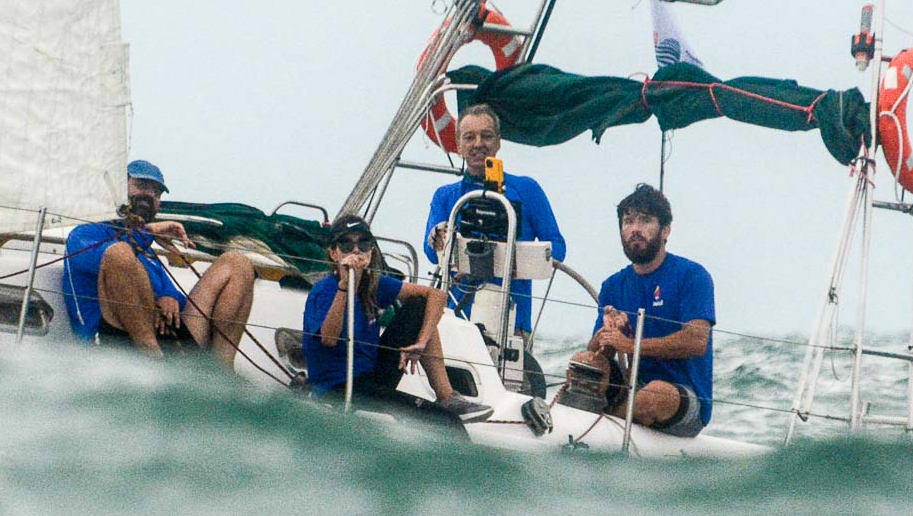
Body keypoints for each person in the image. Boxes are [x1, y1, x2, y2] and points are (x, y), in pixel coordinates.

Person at [61, 159, 255, 371]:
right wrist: (149, 232)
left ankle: (221, 372)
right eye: (142, 185)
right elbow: (113, 260)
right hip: (116, 339)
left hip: (168, 338)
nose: (150, 195)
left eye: (157, 193)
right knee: (119, 253)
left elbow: (172, 293)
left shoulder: (147, 252)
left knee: (237, 263)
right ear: (118, 188)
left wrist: (169, 296)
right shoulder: (84, 234)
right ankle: (152, 361)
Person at [304, 214, 491, 421]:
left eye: (364, 243)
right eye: (346, 245)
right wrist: (346, 285)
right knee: (442, 419)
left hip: (372, 375)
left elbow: (437, 296)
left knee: (420, 305)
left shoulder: (374, 284)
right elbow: (329, 340)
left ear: (371, 250)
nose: (356, 250)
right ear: (334, 253)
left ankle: (447, 397)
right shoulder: (324, 290)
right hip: (337, 387)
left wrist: (421, 342)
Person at [564, 184, 715, 436]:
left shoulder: (693, 276)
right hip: (631, 385)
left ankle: (596, 430)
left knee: (652, 394)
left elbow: (696, 341)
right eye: (628, 221)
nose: (635, 229)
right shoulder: (613, 285)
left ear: (665, 230)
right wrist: (607, 335)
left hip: (684, 396)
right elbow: (599, 353)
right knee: (583, 362)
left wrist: (630, 345)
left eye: (645, 220)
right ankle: (574, 427)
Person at [422, 104, 566, 335]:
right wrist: (439, 239)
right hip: (457, 320)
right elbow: (430, 253)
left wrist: (511, 260)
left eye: (486, 136)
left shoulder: (527, 189)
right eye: (469, 137)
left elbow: (557, 248)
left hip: (512, 322)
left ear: (498, 142)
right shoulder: (445, 196)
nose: (478, 144)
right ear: (458, 145)